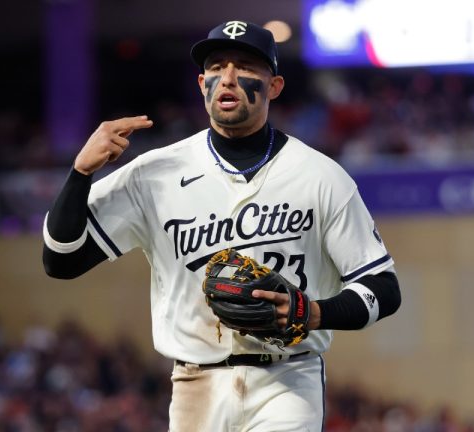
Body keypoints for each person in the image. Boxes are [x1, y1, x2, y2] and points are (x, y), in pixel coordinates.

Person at [42, 20, 401, 432]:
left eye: (245, 66)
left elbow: (383, 289)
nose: (227, 77)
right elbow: (60, 260)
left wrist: (314, 312)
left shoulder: (320, 175)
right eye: (216, 66)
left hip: (287, 380)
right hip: (195, 384)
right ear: (201, 83)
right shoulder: (155, 174)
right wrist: (79, 174)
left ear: (275, 85)